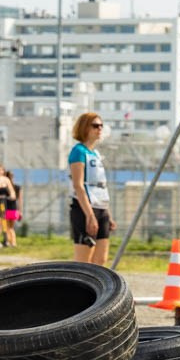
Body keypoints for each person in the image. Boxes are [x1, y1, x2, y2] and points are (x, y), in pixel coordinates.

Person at [69, 111, 116, 265]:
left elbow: (100, 186)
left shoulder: (95, 153)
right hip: (85, 208)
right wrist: (90, 215)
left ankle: (96, 290)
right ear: (84, 128)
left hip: (101, 207)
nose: (99, 129)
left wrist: (107, 214)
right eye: (95, 125)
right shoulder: (78, 152)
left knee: (100, 260)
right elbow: (78, 185)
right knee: (84, 263)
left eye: (101, 125)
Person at [4, 170, 22, 247]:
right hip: (14, 209)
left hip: (5, 209)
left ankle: (9, 241)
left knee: (6, 227)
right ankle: (13, 242)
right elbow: (20, 200)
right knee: (11, 227)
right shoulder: (17, 187)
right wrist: (20, 211)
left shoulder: (4, 188)